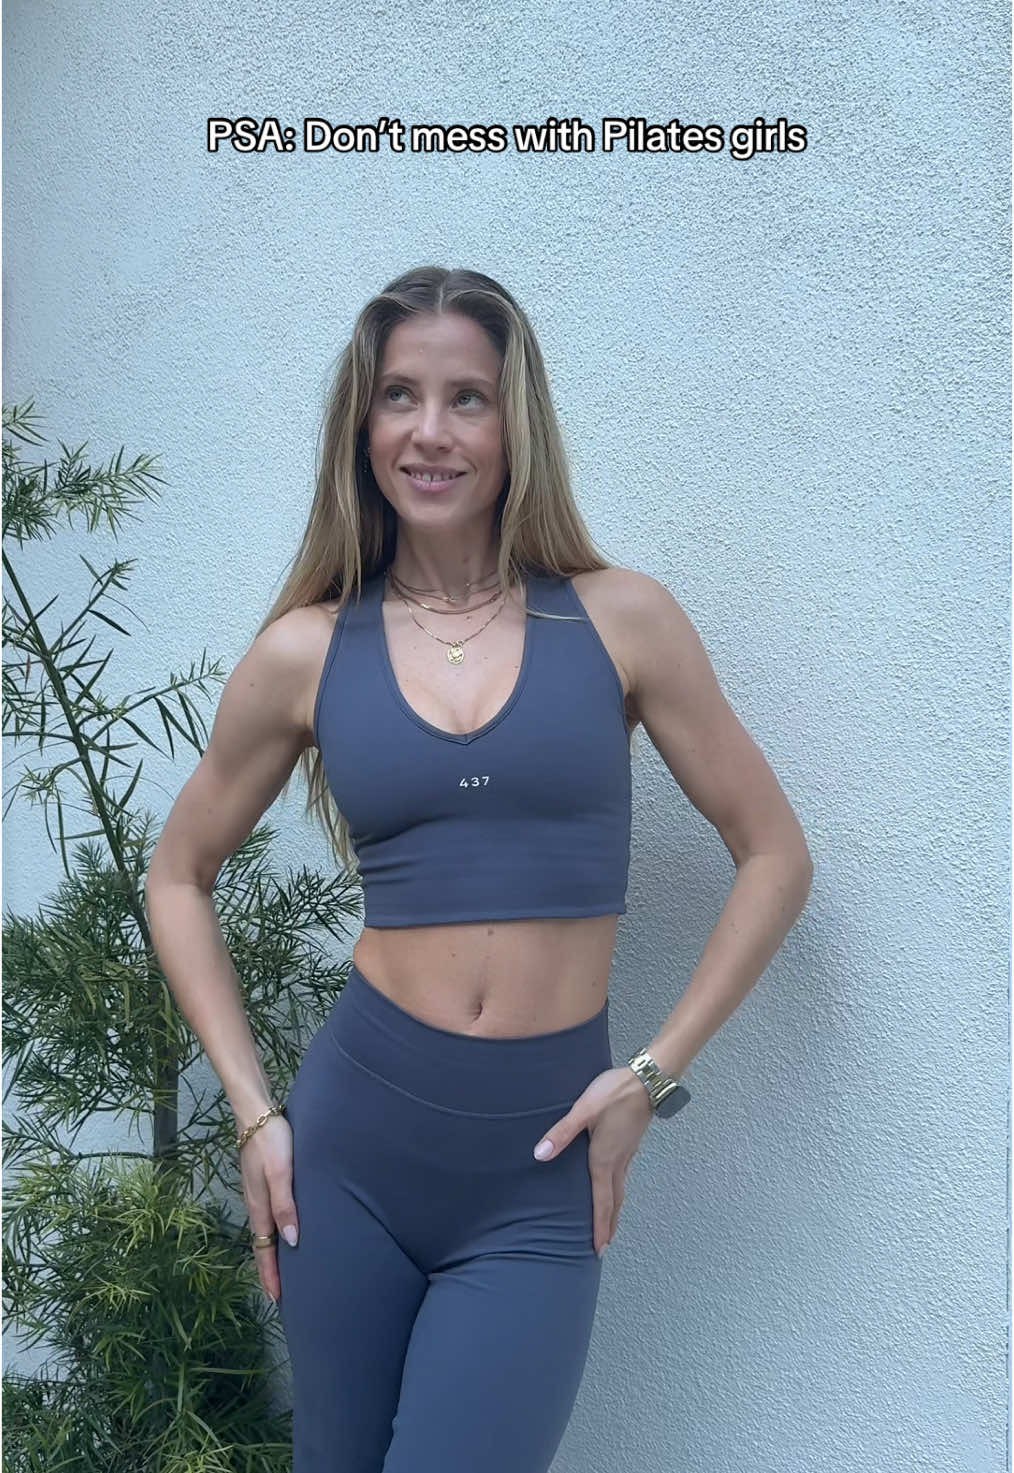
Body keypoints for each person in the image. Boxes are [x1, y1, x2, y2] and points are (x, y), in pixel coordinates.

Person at [145, 265, 813, 1472]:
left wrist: (651, 1078)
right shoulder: (306, 651)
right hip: (351, 1154)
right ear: (363, 426)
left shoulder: (620, 620)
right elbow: (178, 875)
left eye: (469, 398)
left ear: (516, 425)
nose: (431, 432)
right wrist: (253, 1113)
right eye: (400, 395)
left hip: (537, 1171)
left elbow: (774, 856)